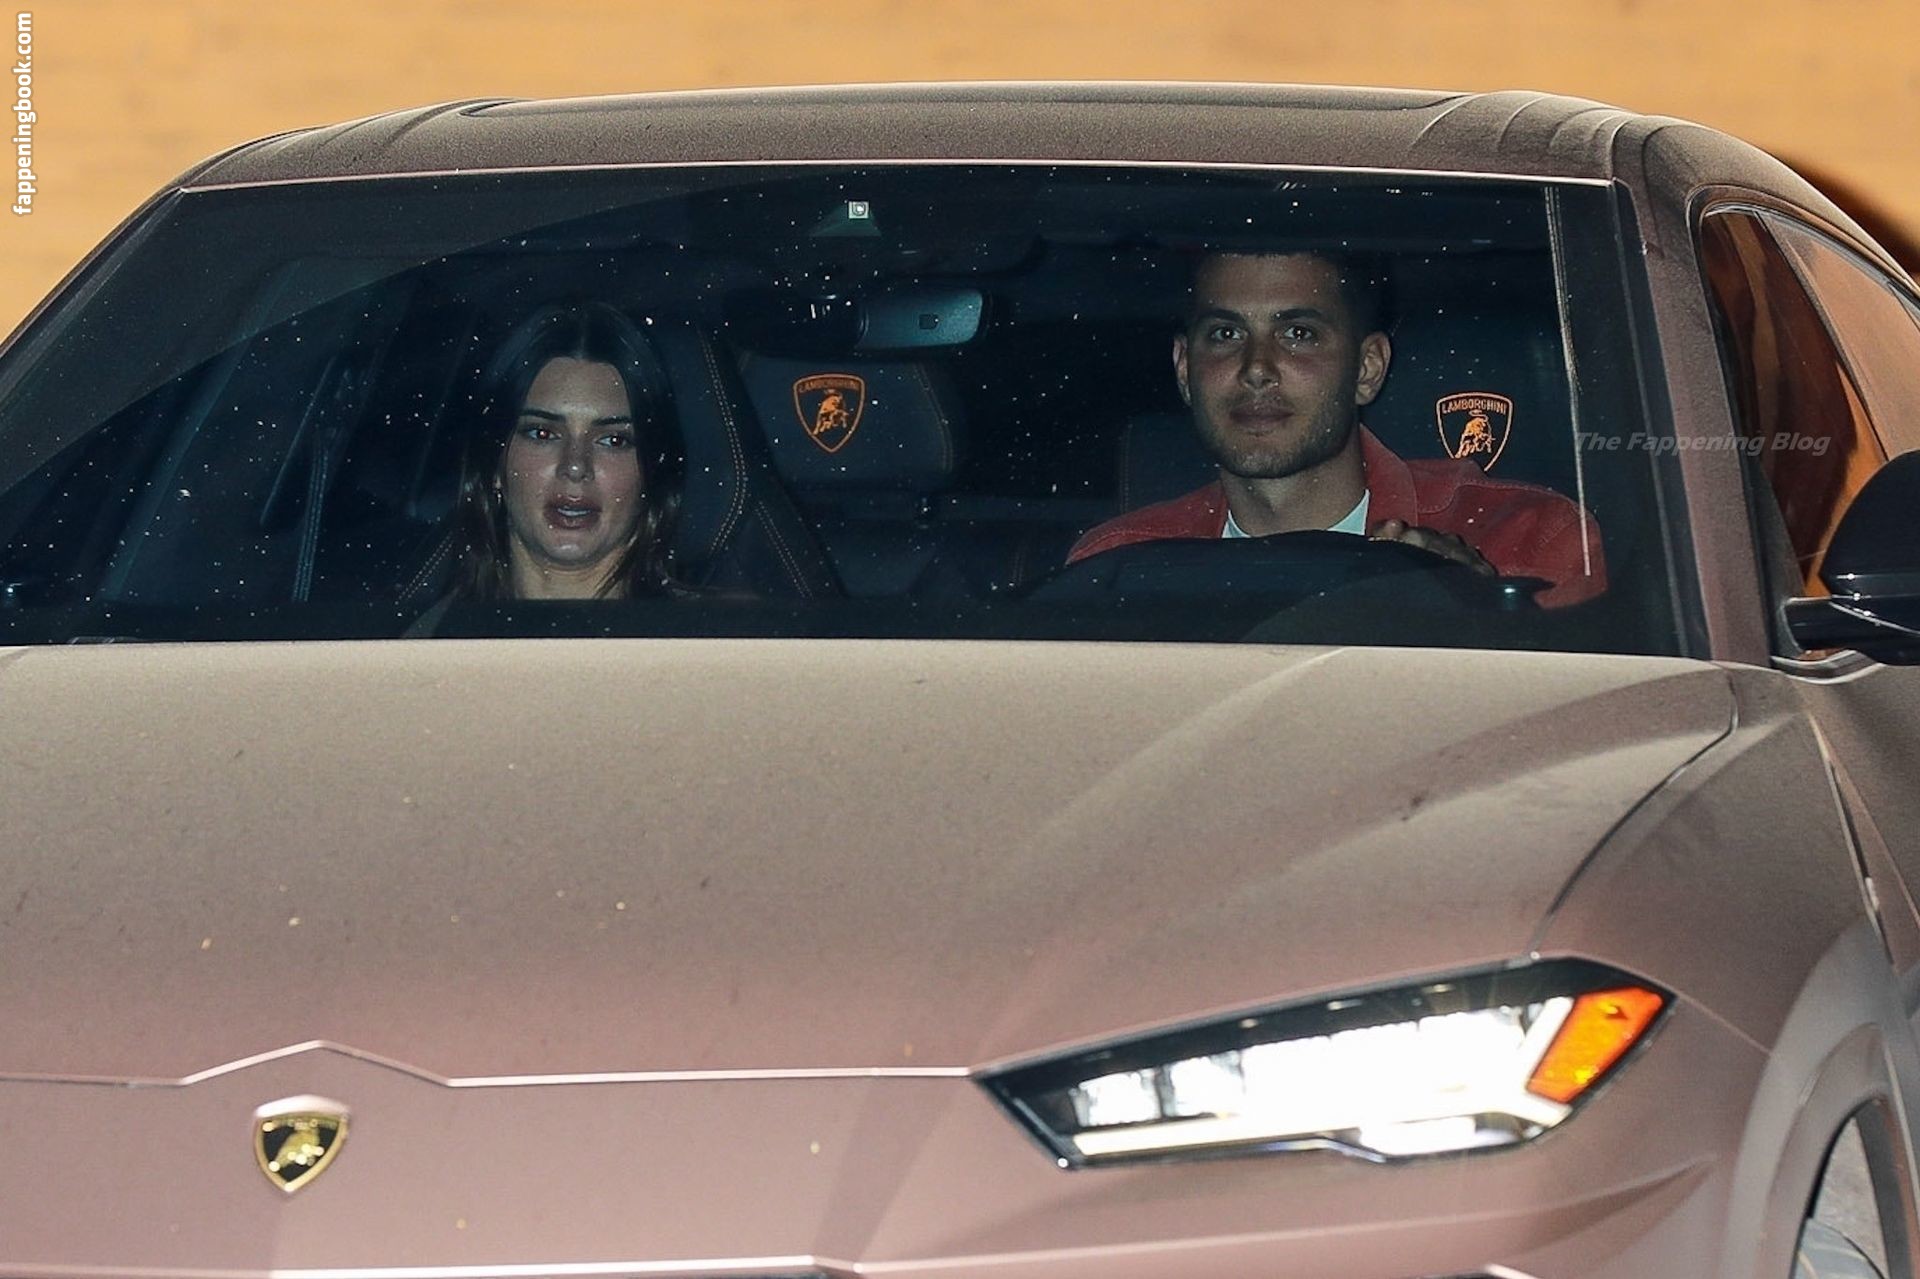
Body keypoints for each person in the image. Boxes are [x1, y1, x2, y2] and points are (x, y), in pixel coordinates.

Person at [1068, 251, 1606, 607]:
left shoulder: (1530, 542)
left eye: (1298, 333)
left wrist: (1474, 615)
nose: (1256, 369)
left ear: (1367, 369)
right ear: (1186, 369)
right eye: (1226, 333)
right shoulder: (1116, 569)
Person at [448, 301, 686, 601]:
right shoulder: (424, 629)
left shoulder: (717, 629)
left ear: (652, 471)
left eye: (613, 440)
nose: (575, 466)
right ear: (495, 461)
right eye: (543, 434)